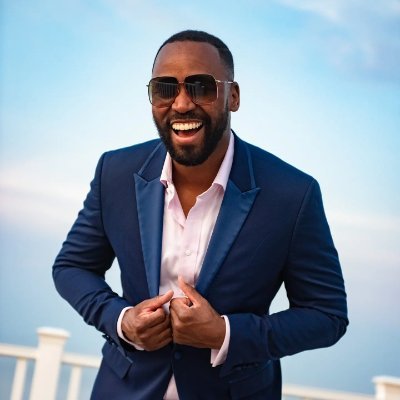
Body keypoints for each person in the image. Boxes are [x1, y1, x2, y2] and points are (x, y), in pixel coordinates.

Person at [53, 30, 348, 400]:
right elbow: (72, 266)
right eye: (165, 88)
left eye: (201, 87)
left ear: (233, 96)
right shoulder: (114, 172)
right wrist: (121, 320)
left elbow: (327, 315)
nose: (181, 104)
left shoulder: (293, 194)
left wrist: (224, 334)